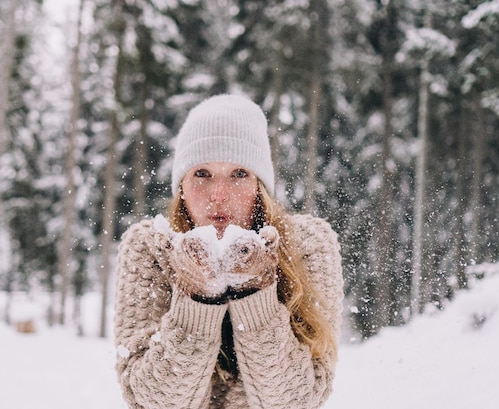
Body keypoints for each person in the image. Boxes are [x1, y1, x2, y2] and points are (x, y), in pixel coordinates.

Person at [113, 94, 344, 408]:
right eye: (202, 174)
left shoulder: (307, 244)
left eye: (239, 174)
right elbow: (152, 401)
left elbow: (297, 401)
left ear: (259, 186)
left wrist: (256, 295)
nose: (218, 196)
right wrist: (197, 300)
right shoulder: (150, 248)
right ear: (181, 185)